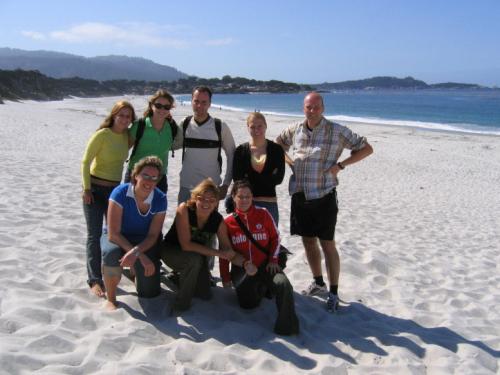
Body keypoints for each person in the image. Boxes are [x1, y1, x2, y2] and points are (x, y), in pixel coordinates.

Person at [275, 92, 373, 313]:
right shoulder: (295, 129)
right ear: (303, 108)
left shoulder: (336, 131)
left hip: (324, 195)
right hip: (300, 194)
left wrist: (341, 166)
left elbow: (366, 148)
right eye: (308, 107)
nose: (312, 110)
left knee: (327, 244)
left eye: (316, 107)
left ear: (323, 108)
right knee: (308, 242)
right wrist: (291, 163)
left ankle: (334, 292)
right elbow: (278, 143)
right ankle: (318, 282)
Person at [221, 180, 299, 335]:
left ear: (252, 197)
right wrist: (225, 276)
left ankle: (287, 327)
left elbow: (276, 238)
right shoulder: (228, 222)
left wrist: (273, 260)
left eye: (248, 196)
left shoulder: (263, 213)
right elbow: (224, 251)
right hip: (243, 268)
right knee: (248, 304)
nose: (244, 200)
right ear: (233, 197)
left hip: (266, 264)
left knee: (284, 285)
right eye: (240, 196)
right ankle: (264, 287)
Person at [160, 179, 245, 314]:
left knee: (204, 293)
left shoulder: (217, 220)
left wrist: (246, 264)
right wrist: (218, 253)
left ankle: (177, 277)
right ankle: (181, 305)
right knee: (194, 259)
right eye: (202, 198)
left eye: (212, 200)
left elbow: (227, 250)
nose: (206, 203)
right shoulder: (185, 209)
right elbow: (186, 245)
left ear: (217, 202)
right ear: (195, 198)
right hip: (171, 251)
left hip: (196, 259)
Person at [81, 100, 136, 297]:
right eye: (121, 114)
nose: (124, 119)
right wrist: (86, 189)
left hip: (115, 192)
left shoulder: (127, 138)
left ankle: (121, 267)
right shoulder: (102, 135)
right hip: (94, 190)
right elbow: (86, 162)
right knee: (94, 234)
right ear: (113, 115)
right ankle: (95, 279)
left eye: (128, 116)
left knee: (117, 231)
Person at [101, 156, 167, 311]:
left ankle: (133, 271)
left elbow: (153, 236)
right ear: (135, 175)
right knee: (111, 253)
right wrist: (140, 256)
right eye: (145, 175)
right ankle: (111, 297)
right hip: (118, 236)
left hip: (143, 239)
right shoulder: (120, 193)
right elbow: (113, 233)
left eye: (154, 177)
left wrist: (136, 252)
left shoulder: (160, 198)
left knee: (149, 292)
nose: (149, 181)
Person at [175, 86, 236, 204]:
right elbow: (173, 145)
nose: (199, 106)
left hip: (211, 188)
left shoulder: (220, 126)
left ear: (210, 104)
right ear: (191, 101)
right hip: (186, 186)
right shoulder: (185, 123)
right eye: (196, 101)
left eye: (204, 102)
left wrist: (226, 184)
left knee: (209, 223)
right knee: (183, 221)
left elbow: (231, 154)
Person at [230, 112, 285, 224]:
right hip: (245, 203)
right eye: (252, 126)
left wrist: (249, 177)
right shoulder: (240, 151)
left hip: (270, 204)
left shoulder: (276, 150)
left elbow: (278, 179)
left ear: (266, 126)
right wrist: (268, 177)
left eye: (260, 126)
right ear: (248, 128)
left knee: (270, 240)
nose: (256, 129)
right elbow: (237, 180)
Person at [125, 89, 177, 193]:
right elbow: (124, 149)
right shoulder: (139, 126)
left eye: (166, 107)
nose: (162, 109)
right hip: (136, 177)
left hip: (159, 178)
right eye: (158, 105)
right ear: (151, 105)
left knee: (157, 209)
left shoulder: (172, 127)